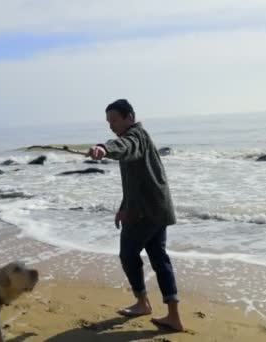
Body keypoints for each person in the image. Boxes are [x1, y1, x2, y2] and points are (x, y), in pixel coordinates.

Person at [88, 99, 183, 331]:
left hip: (144, 212)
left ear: (129, 117)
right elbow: (135, 181)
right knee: (159, 259)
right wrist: (123, 206)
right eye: (108, 121)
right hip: (158, 208)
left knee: (128, 255)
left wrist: (105, 148)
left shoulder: (136, 136)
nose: (111, 125)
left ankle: (142, 303)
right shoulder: (139, 137)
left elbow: (126, 146)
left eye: (114, 120)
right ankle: (173, 315)